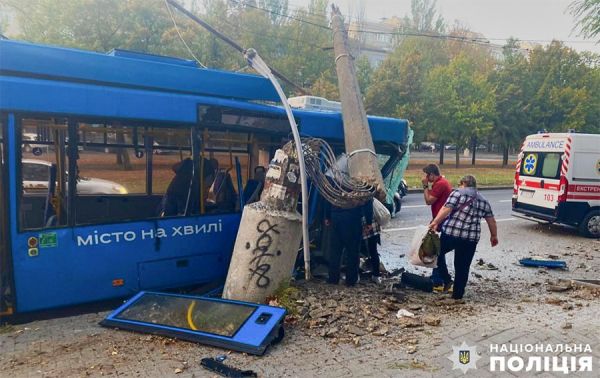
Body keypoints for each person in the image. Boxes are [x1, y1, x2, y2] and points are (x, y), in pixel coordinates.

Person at [428, 175, 498, 300]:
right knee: (463, 267)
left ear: (463, 183)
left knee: (436, 253)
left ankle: (446, 279)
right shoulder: (483, 200)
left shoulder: (458, 193)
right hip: (471, 239)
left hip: (452, 234)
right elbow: (491, 220)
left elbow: (446, 208)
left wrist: (435, 222)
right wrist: (494, 236)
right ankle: (457, 295)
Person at [324, 198, 373, 287]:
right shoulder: (360, 184)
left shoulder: (335, 184)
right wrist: (369, 221)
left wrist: (327, 216)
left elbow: (329, 197)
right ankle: (351, 280)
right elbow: (368, 200)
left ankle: (333, 279)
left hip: (336, 217)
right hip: (353, 219)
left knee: (335, 250)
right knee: (353, 251)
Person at [421, 164, 452, 291]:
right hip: (439, 219)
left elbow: (429, 200)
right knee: (436, 249)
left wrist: (425, 186)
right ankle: (437, 278)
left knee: (437, 250)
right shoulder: (441, 182)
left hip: (441, 220)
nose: (426, 177)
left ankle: (440, 280)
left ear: (432, 174)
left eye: (427, 175)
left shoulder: (440, 184)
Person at [360, 198, 383, 284]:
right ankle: (376, 275)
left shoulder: (357, 189)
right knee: (373, 250)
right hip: (373, 221)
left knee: (356, 249)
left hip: (363, 221)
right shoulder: (370, 187)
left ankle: (356, 274)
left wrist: (368, 223)